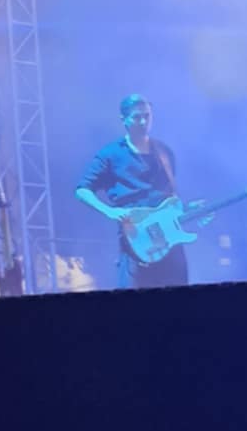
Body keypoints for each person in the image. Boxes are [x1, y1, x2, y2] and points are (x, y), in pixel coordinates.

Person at [75, 94, 189, 290]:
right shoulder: (110, 154)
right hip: (137, 241)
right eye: (137, 117)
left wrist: (189, 209)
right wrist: (109, 211)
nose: (143, 122)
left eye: (147, 116)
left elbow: (170, 199)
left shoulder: (164, 152)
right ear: (124, 120)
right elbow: (82, 190)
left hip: (170, 245)